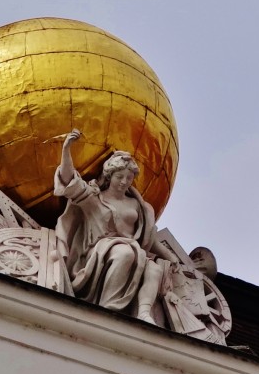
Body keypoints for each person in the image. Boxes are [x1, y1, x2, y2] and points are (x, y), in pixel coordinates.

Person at [53, 129, 178, 323]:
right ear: (109, 175)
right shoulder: (95, 199)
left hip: (135, 251)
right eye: (120, 176)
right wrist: (66, 148)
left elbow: (148, 239)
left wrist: (170, 256)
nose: (124, 182)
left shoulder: (138, 206)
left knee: (154, 270)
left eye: (129, 178)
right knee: (124, 253)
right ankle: (108, 307)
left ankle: (144, 312)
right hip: (101, 251)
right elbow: (69, 180)